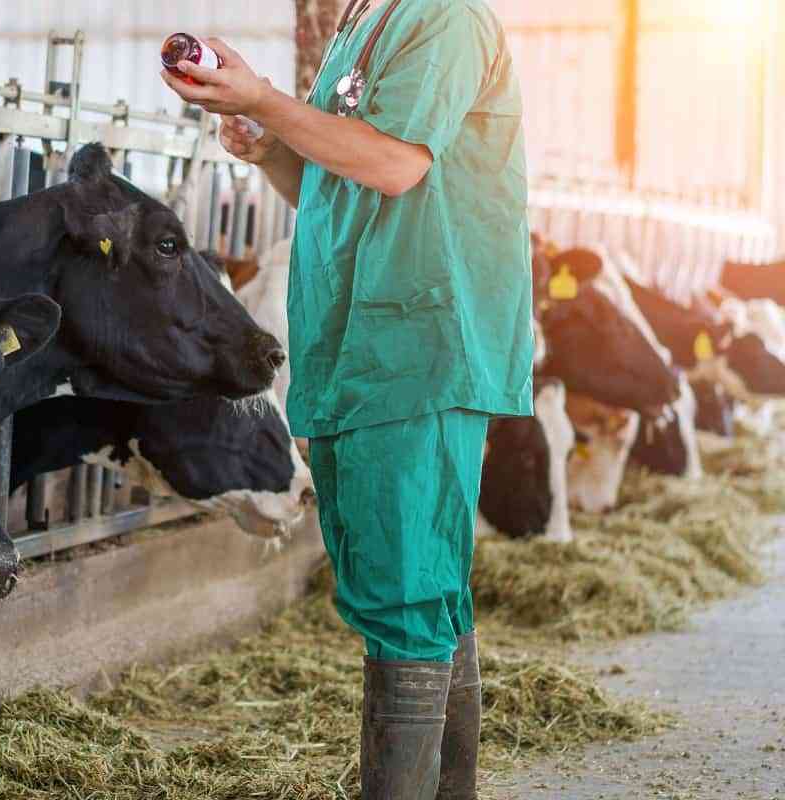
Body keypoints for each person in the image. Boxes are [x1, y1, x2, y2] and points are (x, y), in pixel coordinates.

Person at [162, 1, 532, 798]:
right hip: (358, 337)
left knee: (406, 591)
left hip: (418, 336)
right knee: (420, 583)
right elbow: (341, 187)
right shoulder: (365, 19)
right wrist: (268, 149)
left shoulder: (445, 15)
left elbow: (398, 166)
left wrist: (265, 100)